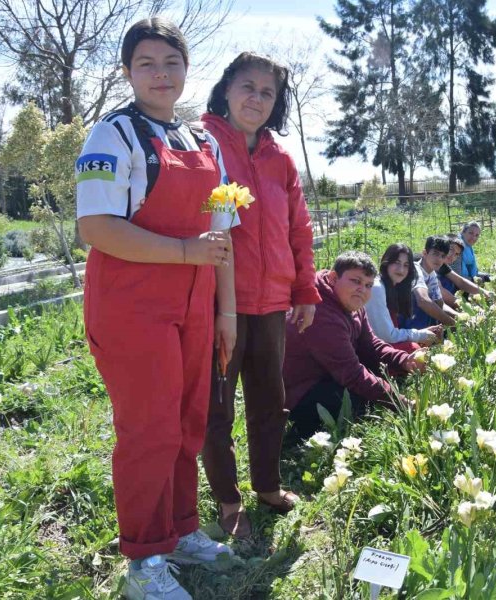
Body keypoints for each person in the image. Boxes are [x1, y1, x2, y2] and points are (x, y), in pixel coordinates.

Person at [77, 18, 234, 599]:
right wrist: (184, 251)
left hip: (195, 303)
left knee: (189, 421)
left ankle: (181, 531)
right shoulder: (112, 137)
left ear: (187, 69)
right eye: (146, 63)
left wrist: (226, 311)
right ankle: (144, 562)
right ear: (127, 72)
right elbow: (96, 227)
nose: (160, 74)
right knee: (149, 429)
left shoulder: (204, 142)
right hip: (132, 305)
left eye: (171, 62)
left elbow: (223, 236)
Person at [199, 52, 320, 539]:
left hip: (271, 302)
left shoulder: (280, 158)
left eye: (267, 92)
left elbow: (299, 228)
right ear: (226, 89)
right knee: (218, 404)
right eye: (247, 86)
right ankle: (229, 499)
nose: (256, 98)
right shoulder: (203, 145)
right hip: (218, 301)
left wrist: (304, 289)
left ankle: (267, 486)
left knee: (271, 398)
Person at [283, 252, 423, 438]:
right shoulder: (321, 313)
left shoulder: (350, 301)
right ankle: (304, 432)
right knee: (360, 399)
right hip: (301, 391)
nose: (362, 290)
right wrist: (399, 401)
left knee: (376, 376)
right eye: (355, 281)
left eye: (368, 285)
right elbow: (352, 374)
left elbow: (371, 344)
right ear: (333, 278)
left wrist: (404, 360)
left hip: (328, 373)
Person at [365, 243, 442, 352]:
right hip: (370, 347)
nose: (401, 270)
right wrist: (421, 335)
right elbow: (387, 336)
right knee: (414, 349)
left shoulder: (394, 287)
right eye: (397, 263)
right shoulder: (377, 288)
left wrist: (423, 332)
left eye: (406, 265)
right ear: (386, 262)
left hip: (384, 343)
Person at [405, 235, 458, 329]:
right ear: (424, 253)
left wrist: (460, 317)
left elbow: (440, 304)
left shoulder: (432, 274)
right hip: (404, 323)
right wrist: (453, 323)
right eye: (435, 254)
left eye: (443, 256)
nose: (439, 259)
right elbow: (423, 301)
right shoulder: (415, 269)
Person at [437, 234, 491, 308]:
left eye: (456, 254)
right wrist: (466, 308)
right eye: (451, 249)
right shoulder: (430, 263)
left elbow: (460, 281)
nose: (452, 255)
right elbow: (441, 292)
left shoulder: (443, 266)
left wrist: (484, 292)